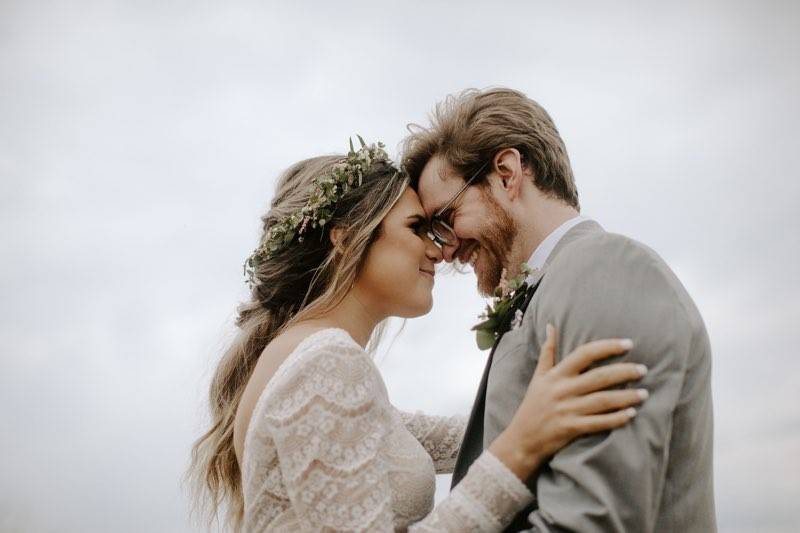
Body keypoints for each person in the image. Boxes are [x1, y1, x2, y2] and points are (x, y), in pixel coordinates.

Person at [190, 140, 648, 531]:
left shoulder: (310, 359)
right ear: (346, 240)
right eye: (417, 228)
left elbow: (459, 437)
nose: (440, 249)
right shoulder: (325, 363)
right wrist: (522, 447)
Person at [402, 88, 717, 532]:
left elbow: (591, 522)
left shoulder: (605, 269)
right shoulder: (561, 284)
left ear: (508, 174)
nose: (447, 250)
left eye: (445, 219)